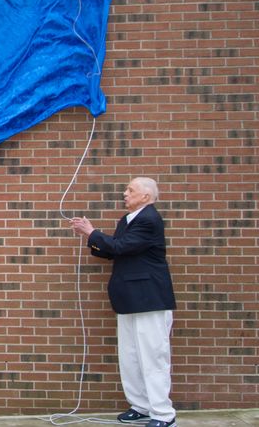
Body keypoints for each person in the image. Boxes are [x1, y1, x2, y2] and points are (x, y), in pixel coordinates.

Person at [71, 177, 176, 427]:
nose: (125, 193)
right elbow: (113, 250)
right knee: (130, 356)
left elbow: (123, 246)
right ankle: (140, 406)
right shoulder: (128, 219)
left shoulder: (149, 219)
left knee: (153, 357)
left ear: (146, 197)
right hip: (129, 298)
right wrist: (91, 236)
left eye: (131, 190)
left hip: (150, 299)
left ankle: (163, 414)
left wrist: (92, 232)